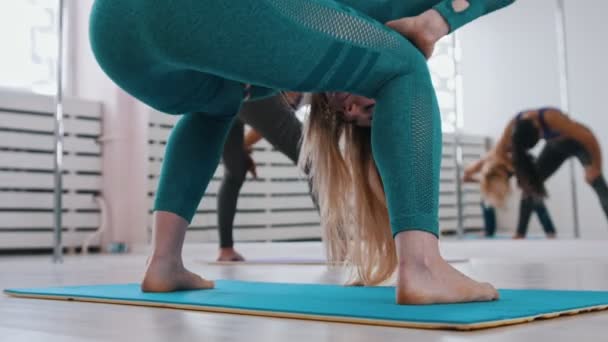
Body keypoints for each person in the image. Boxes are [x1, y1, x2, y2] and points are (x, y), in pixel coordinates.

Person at [90, 0, 515, 304]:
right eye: (370, 107)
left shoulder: (273, 64)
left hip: (117, 36)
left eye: (351, 119)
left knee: (215, 107)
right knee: (406, 65)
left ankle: (163, 263)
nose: (352, 106)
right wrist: (439, 20)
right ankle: (422, 266)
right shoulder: (392, 13)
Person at [480, 107, 608, 238]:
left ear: (537, 126)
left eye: (541, 135)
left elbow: (589, 138)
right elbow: (498, 152)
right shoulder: (514, 125)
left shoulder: (552, 118)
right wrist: (505, 168)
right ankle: (520, 233)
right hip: (555, 147)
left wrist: (596, 166)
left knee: (597, 181)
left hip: (579, 144)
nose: (542, 136)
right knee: (529, 185)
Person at [216, 93, 315, 262]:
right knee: (317, 165)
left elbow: (263, 122)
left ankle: (226, 250)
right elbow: (267, 115)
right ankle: (342, 246)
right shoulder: (312, 90)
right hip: (249, 91)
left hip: (225, 94)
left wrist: (241, 146)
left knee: (234, 171)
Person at [463, 156, 557, 238]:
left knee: (532, 197)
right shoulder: (490, 167)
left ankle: (547, 231)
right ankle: (491, 230)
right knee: (486, 200)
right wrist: (474, 177)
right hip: (506, 168)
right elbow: (471, 177)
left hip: (527, 166)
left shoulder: (507, 163)